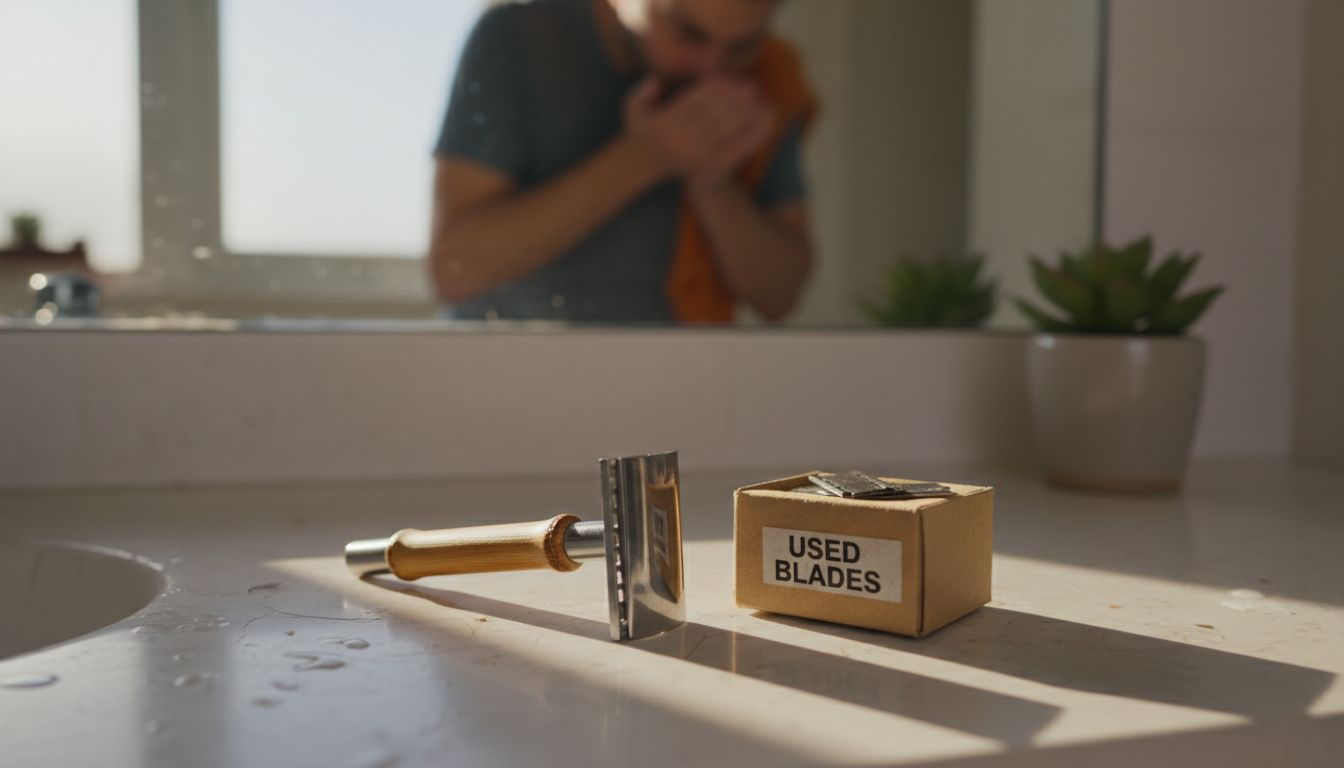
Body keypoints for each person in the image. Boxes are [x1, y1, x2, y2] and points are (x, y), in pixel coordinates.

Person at [429, 0, 816, 324]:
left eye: (741, 47)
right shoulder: (519, 37)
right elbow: (454, 269)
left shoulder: (768, 80)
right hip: (502, 380)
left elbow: (780, 296)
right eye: (688, 33)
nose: (712, 69)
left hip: (673, 389)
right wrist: (644, 158)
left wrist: (711, 183)